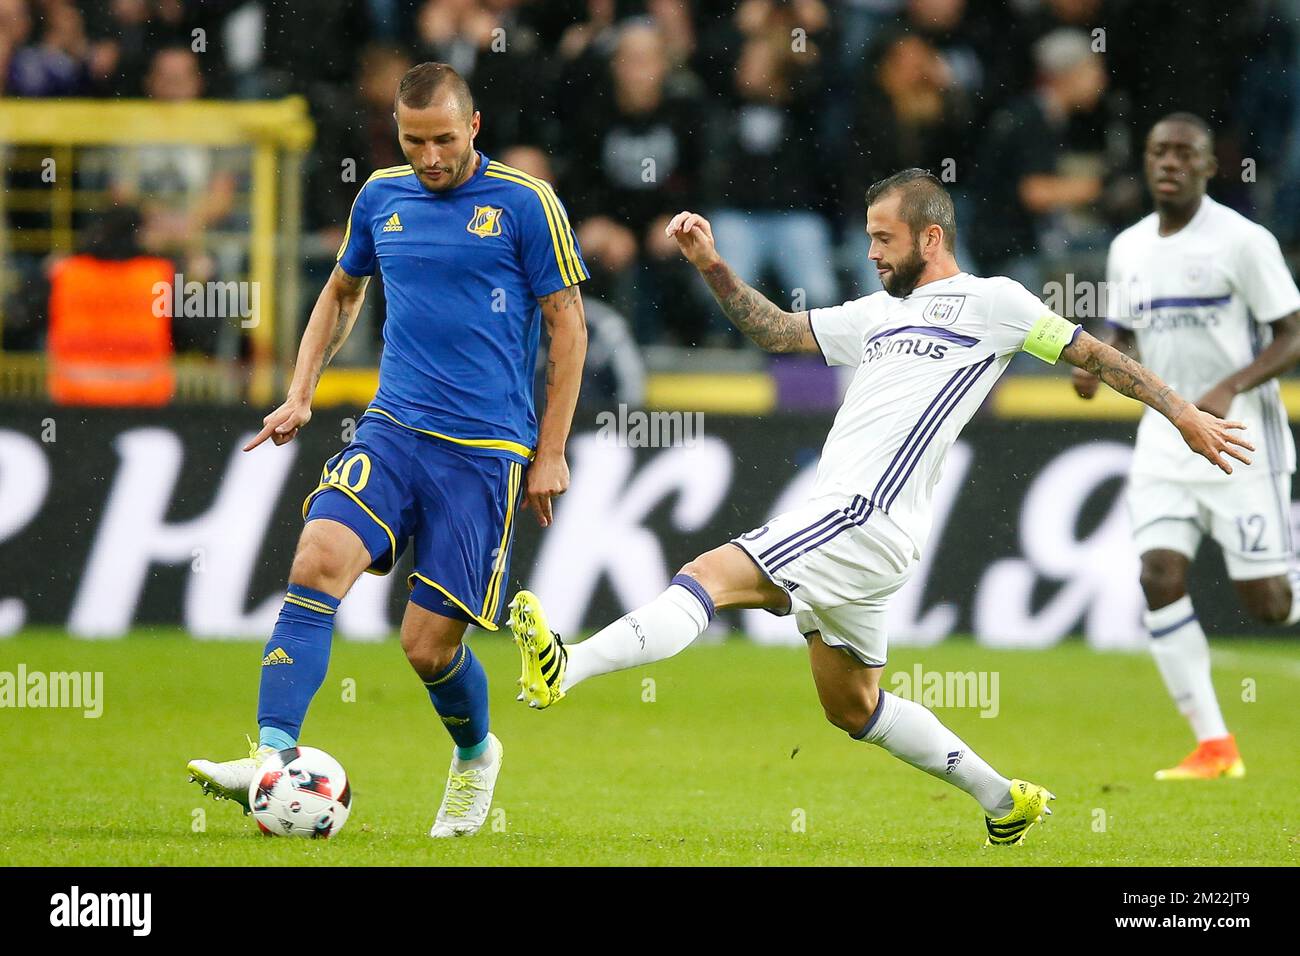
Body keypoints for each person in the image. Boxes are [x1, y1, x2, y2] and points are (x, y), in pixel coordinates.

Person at [509, 168, 1251, 846]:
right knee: (853, 706)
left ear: (931, 237)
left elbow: (1095, 355)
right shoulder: (876, 314)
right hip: (866, 529)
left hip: (863, 515)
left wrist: (1182, 414)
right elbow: (776, 330)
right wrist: (711, 264)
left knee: (708, 574)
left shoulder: (996, 302)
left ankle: (565, 668)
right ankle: (1004, 801)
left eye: (883, 238)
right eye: (868, 237)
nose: (870, 252)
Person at [187, 62, 589, 838]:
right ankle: (272, 757)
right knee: (315, 562)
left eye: (443, 139)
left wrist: (552, 449)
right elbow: (342, 291)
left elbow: (566, 321)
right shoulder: (382, 196)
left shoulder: (524, 203)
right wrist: (302, 391)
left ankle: (475, 755)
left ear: (473, 127)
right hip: (393, 429)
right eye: (414, 141)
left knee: (426, 647)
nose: (430, 157)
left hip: (484, 452)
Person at [1073, 113, 1300, 780]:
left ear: (1208, 166)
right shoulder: (1129, 247)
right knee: (1157, 576)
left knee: (1270, 607)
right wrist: (1098, 364)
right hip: (1166, 439)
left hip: (1238, 440)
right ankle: (1214, 746)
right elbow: (1126, 329)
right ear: (1145, 163)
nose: (1169, 162)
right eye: (1158, 152)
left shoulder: (1242, 241)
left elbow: (1292, 332)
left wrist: (1230, 387)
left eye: (1184, 153)